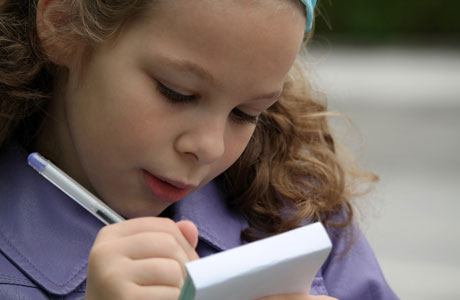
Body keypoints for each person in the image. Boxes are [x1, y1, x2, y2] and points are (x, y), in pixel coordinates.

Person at [0, 0, 398, 299]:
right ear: (63, 21)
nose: (209, 146)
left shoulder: (299, 210)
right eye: (177, 92)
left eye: (246, 113)